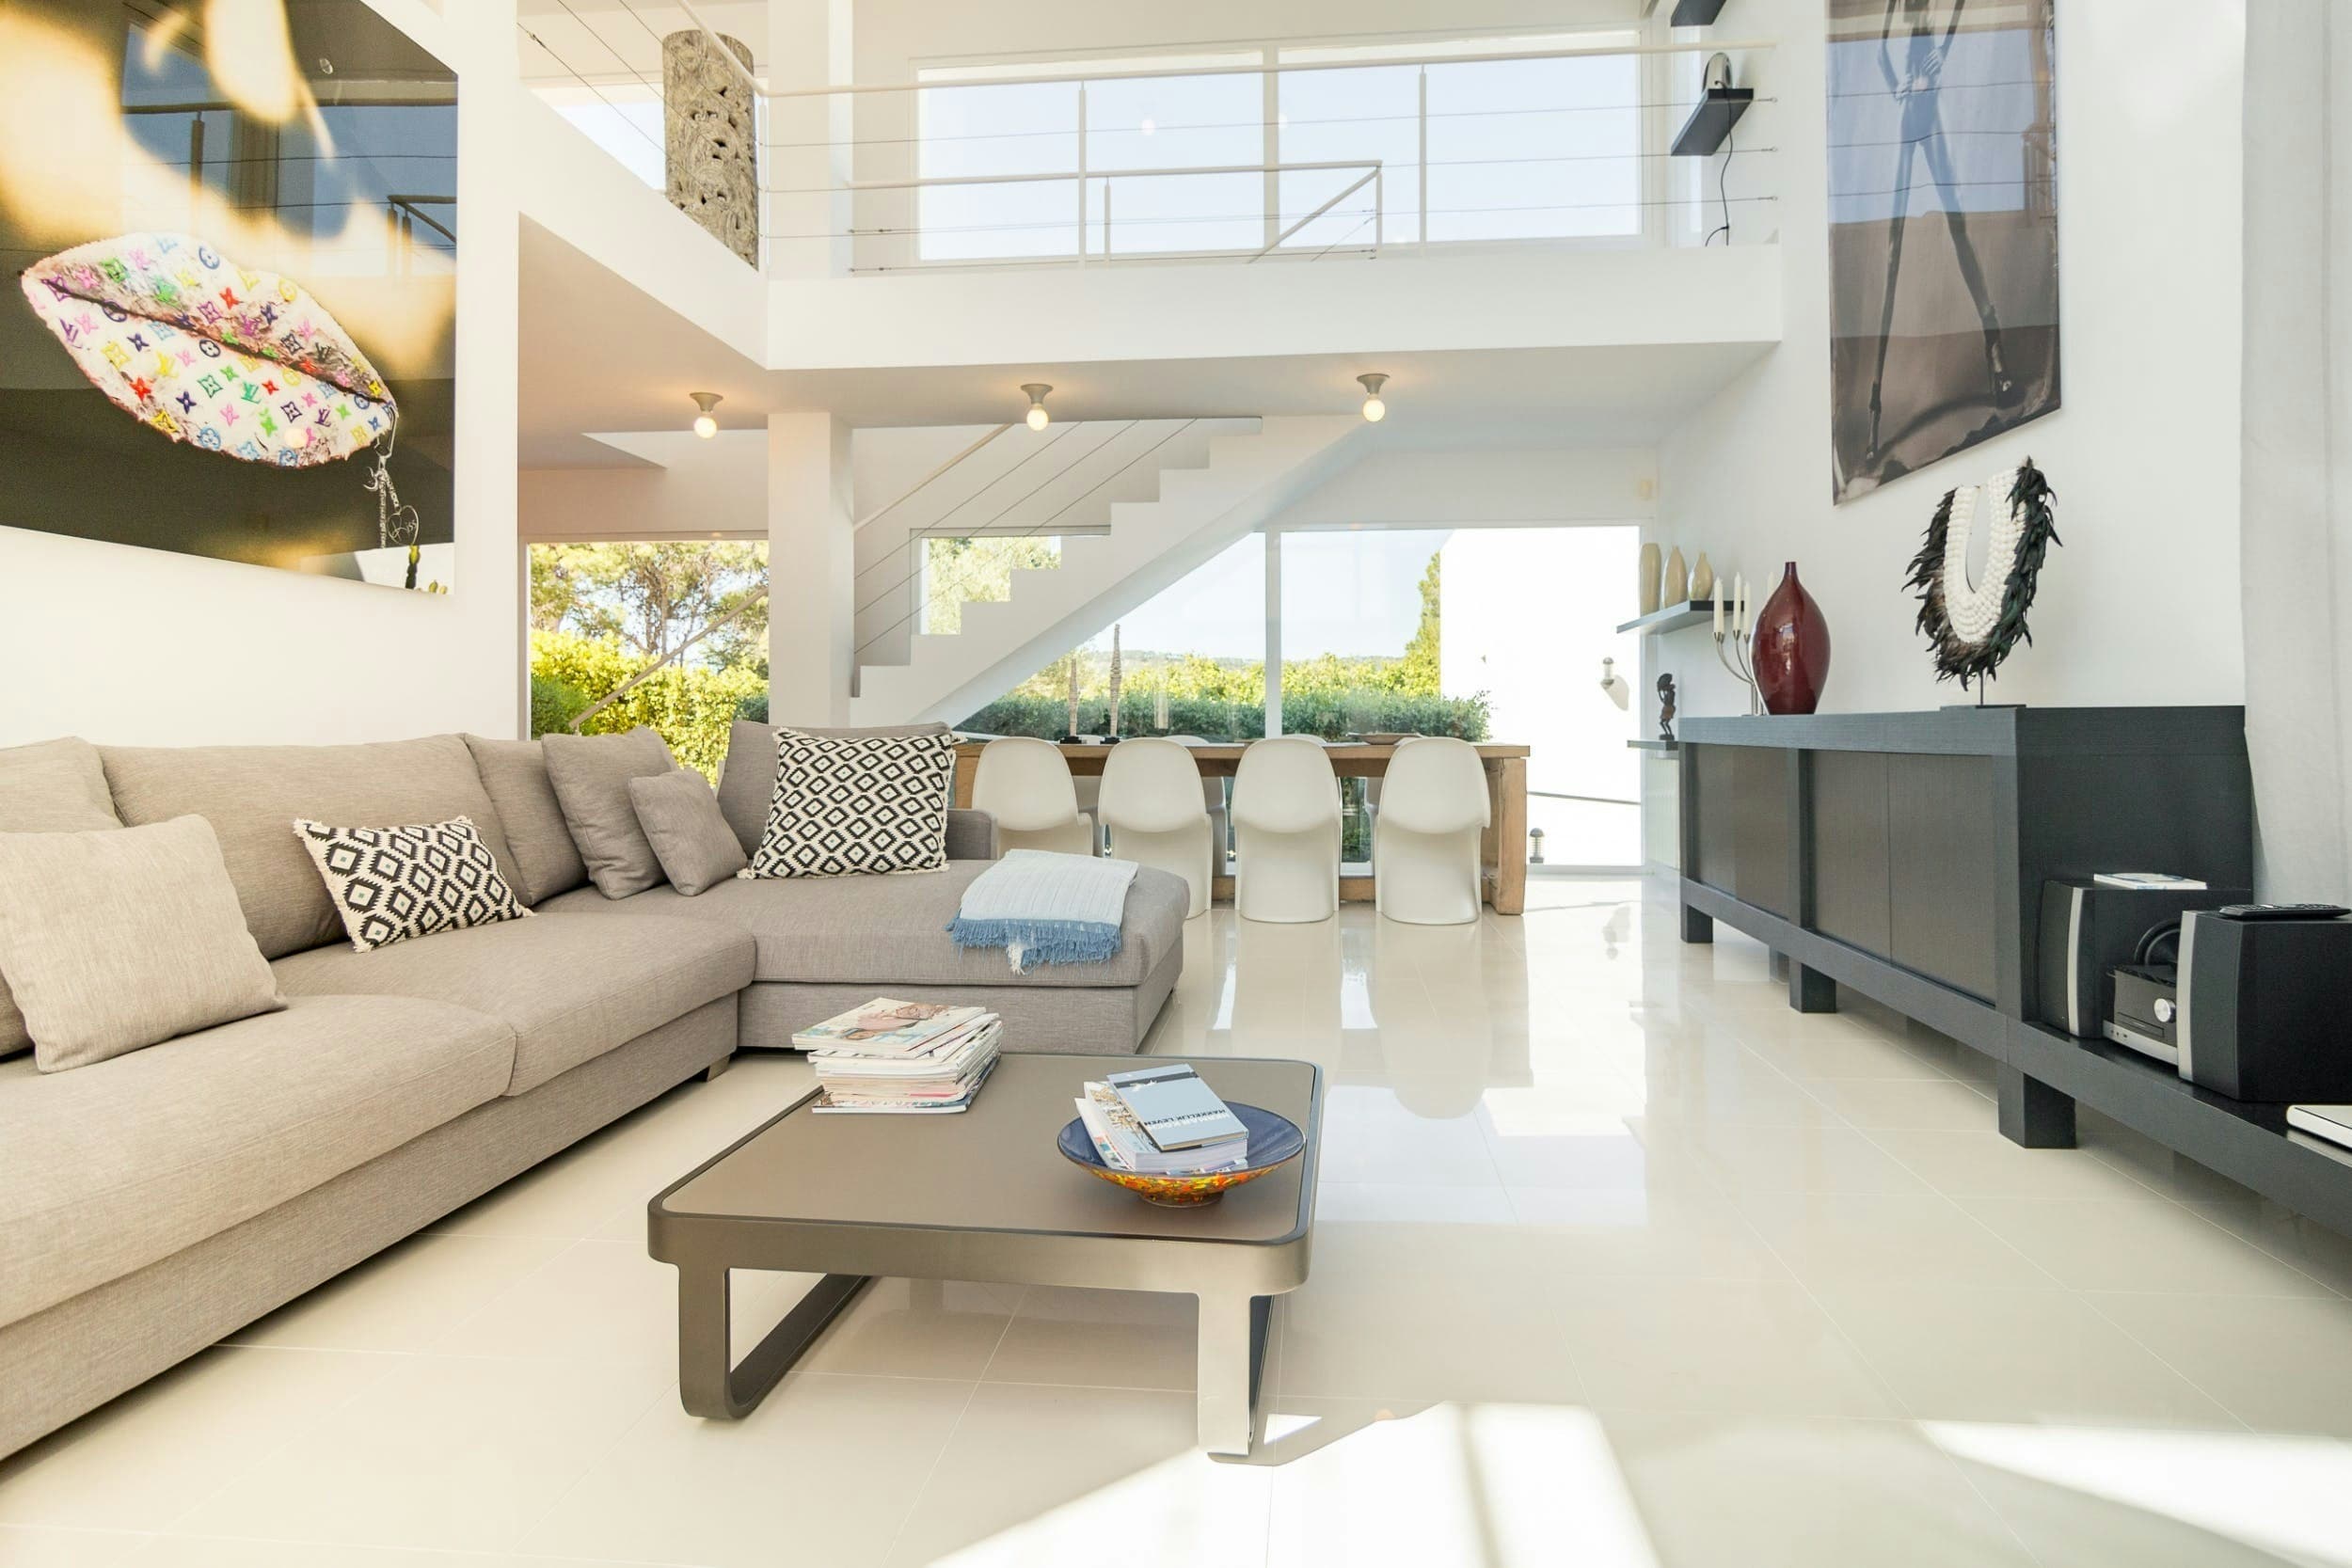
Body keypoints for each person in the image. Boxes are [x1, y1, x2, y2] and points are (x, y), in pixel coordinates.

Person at [1863, 0, 2023, 467]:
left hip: (1931, 107)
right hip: (1911, 107)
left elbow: (1947, 26)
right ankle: (1875, 404)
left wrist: (1943, 56)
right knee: (1894, 254)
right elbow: (1879, 52)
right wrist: (1899, 87)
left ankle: (1996, 354)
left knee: (1960, 231)